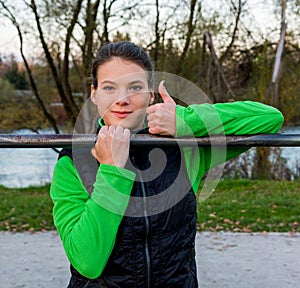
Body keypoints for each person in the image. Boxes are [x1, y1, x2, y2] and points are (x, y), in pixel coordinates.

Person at [50, 41, 284, 288]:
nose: (122, 99)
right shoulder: (73, 162)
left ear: (151, 94)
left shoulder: (184, 148)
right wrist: (111, 172)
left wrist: (186, 121)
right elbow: (87, 261)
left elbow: (268, 119)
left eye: (135, 87)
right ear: (94, 93)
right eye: (109, 87)